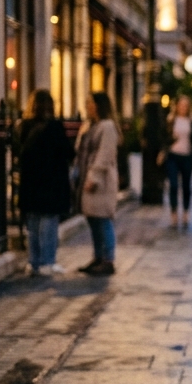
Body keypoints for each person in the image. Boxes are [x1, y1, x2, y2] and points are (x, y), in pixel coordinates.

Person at [17, 89, 73, 275]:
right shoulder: (54, 126)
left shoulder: (24, 126)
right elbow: (67, 152)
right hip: (51, 183)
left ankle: (34, 262)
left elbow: (19, 152)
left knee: (32, 225)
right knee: (48, 224)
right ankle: (47, 262)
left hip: (30, 182)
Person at [75, 92, 120, 276]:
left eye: (91, 103)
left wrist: (94, 178)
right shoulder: (90, 126)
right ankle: (98, 256)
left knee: (102, 218)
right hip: (87, 175)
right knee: (93, 218)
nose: (87, 106)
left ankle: (108, 259)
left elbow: (105, 154)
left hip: (101, 181)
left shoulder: (107, 126)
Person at [161, 95, 192, 229]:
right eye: (181, 105)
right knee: (173, 185)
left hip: (187, 156)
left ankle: (186, 213)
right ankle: (174, 214)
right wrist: (170, 142)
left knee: (186, 185)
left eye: (185, 105)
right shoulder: (171, 120)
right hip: (173, 156)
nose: (183, 107)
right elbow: (165, 138)